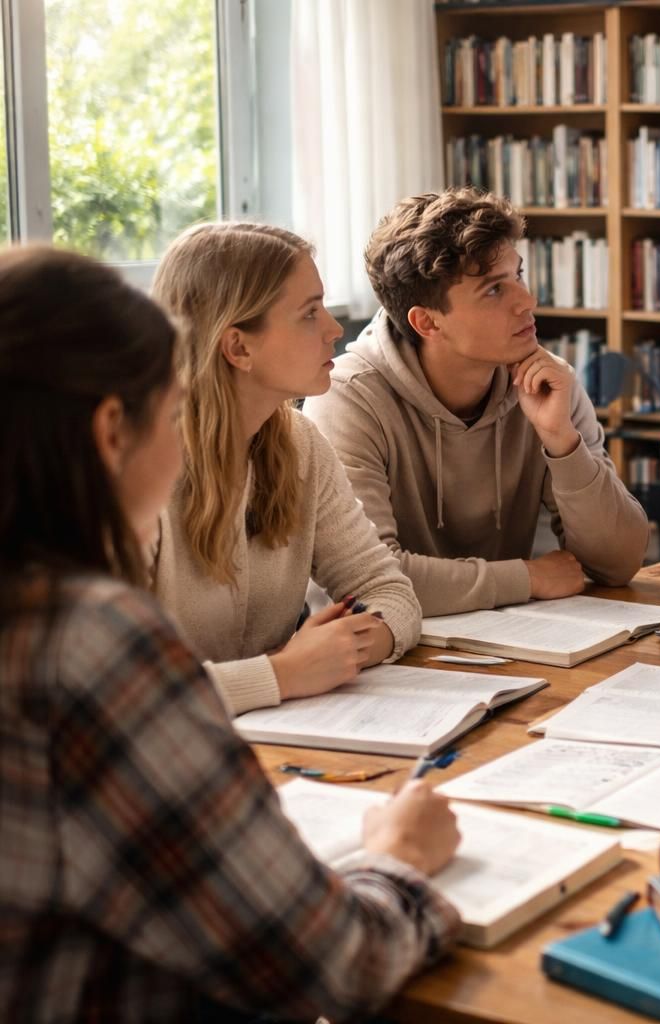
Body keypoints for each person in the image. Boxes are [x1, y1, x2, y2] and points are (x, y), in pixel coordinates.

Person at [0, 246, 461, 1020]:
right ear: (113, 429)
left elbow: (386, 586)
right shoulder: (89, 640)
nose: (179, 438)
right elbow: (333, 962)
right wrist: (400, 857)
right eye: (168, 409)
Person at [304, 187, 648, 617]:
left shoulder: (546, 382)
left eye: (518, 276)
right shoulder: (348, 396)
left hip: (505, 645)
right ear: (427, 322)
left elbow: (619, 564)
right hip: (379, 660)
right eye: (493, 290)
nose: (528, 301)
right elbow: (366, 584)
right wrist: (528, 578)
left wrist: (563, 442)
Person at [149, 222, 422, 716]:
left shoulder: (300, 443)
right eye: (309, 313)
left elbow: (390, 592)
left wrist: (348, 647)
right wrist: (284, 673)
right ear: (238, 347)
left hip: (271, 739)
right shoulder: (133, 474)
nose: (334, 330)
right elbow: (111, 695)